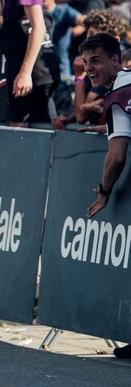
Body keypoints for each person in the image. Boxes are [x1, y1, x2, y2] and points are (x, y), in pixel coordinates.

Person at [78, 32, 131, 359]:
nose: (89, 69)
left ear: (116, 60)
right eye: (85, 63)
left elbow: (116, 157)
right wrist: (108, 127)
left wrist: (104, 191)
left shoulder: (118, 96)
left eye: (96, 60)